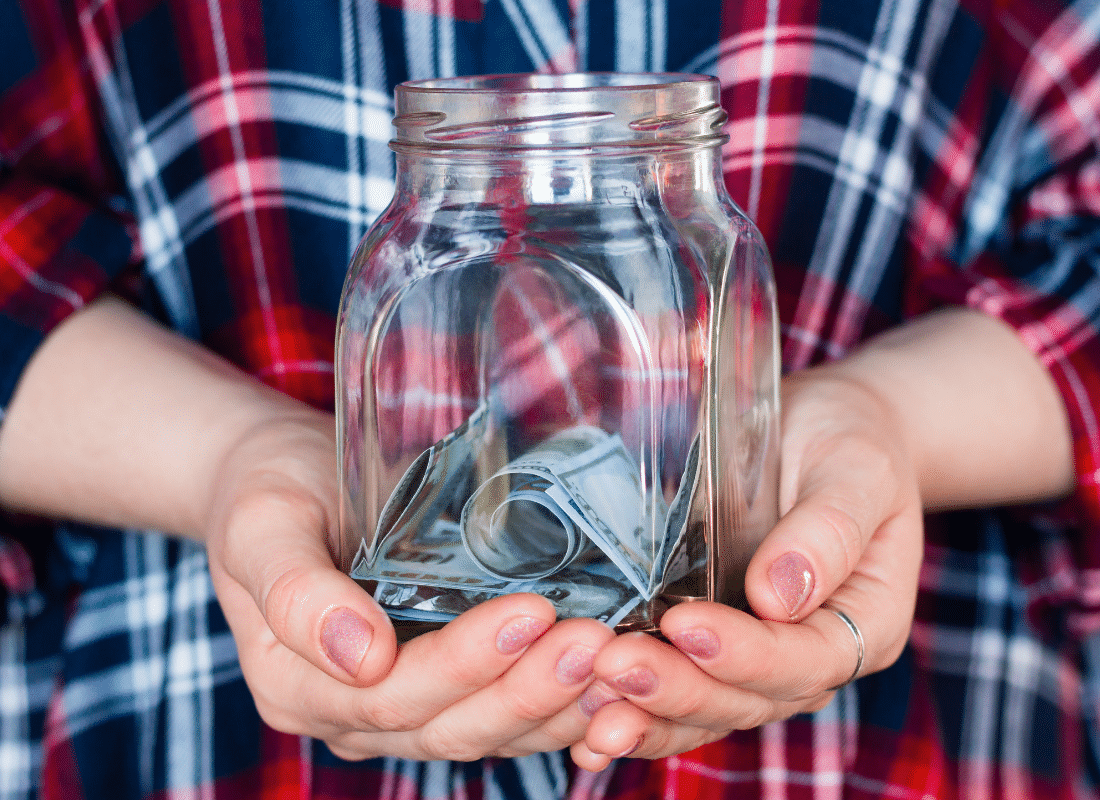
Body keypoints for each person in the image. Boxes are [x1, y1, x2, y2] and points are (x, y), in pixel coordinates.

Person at [0, 0, 1096, 798]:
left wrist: (890, 421)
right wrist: (223, 457)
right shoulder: (415, 238)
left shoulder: (707, 229)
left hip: (908, 733)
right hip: (192, 729)